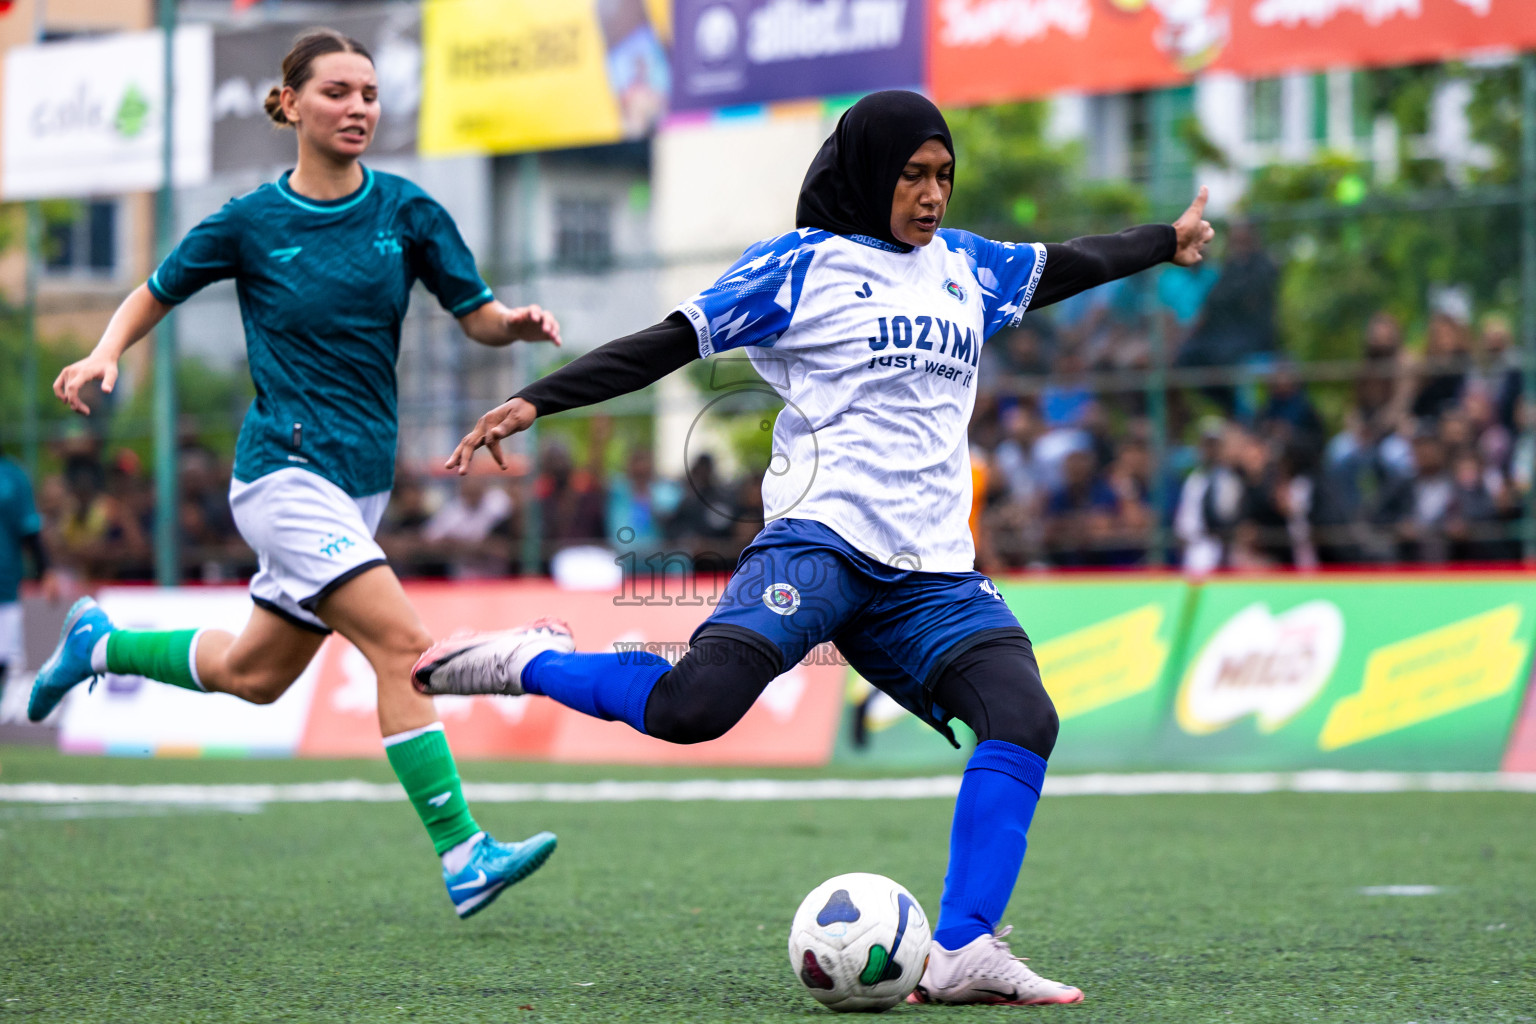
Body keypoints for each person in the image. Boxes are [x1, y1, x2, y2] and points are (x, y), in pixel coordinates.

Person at [414, 92, 1213, 1003]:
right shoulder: (802, 269)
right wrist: (538, 400)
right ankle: (529, 661)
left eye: (944, 176)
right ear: (870, 173)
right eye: (913, 175)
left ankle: (962, 949)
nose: (931, 196)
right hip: (820, 546)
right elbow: (669, 343)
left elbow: (1068, 262)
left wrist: (1164, 240)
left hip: (935, 575)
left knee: (1024, 717)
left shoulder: (967, 269)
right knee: (693, 708)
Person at [29, 29, 561, 919]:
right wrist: (104, 353)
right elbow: (154, 288)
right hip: (282, 475)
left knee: (255, 674)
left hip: (360, 485)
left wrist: (515, 324)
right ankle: (464, 852)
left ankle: (99, 646)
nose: (359, 108)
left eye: (369, 94)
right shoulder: (249, 221)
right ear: (291, 106)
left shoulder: (410, 212)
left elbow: (475, 317)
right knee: (403, 646)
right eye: (338, 93)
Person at [1, 454, 59, 708]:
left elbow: (29, 529)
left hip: (4, 586)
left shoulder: (12, 477)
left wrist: (46, 570)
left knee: (4, 659)